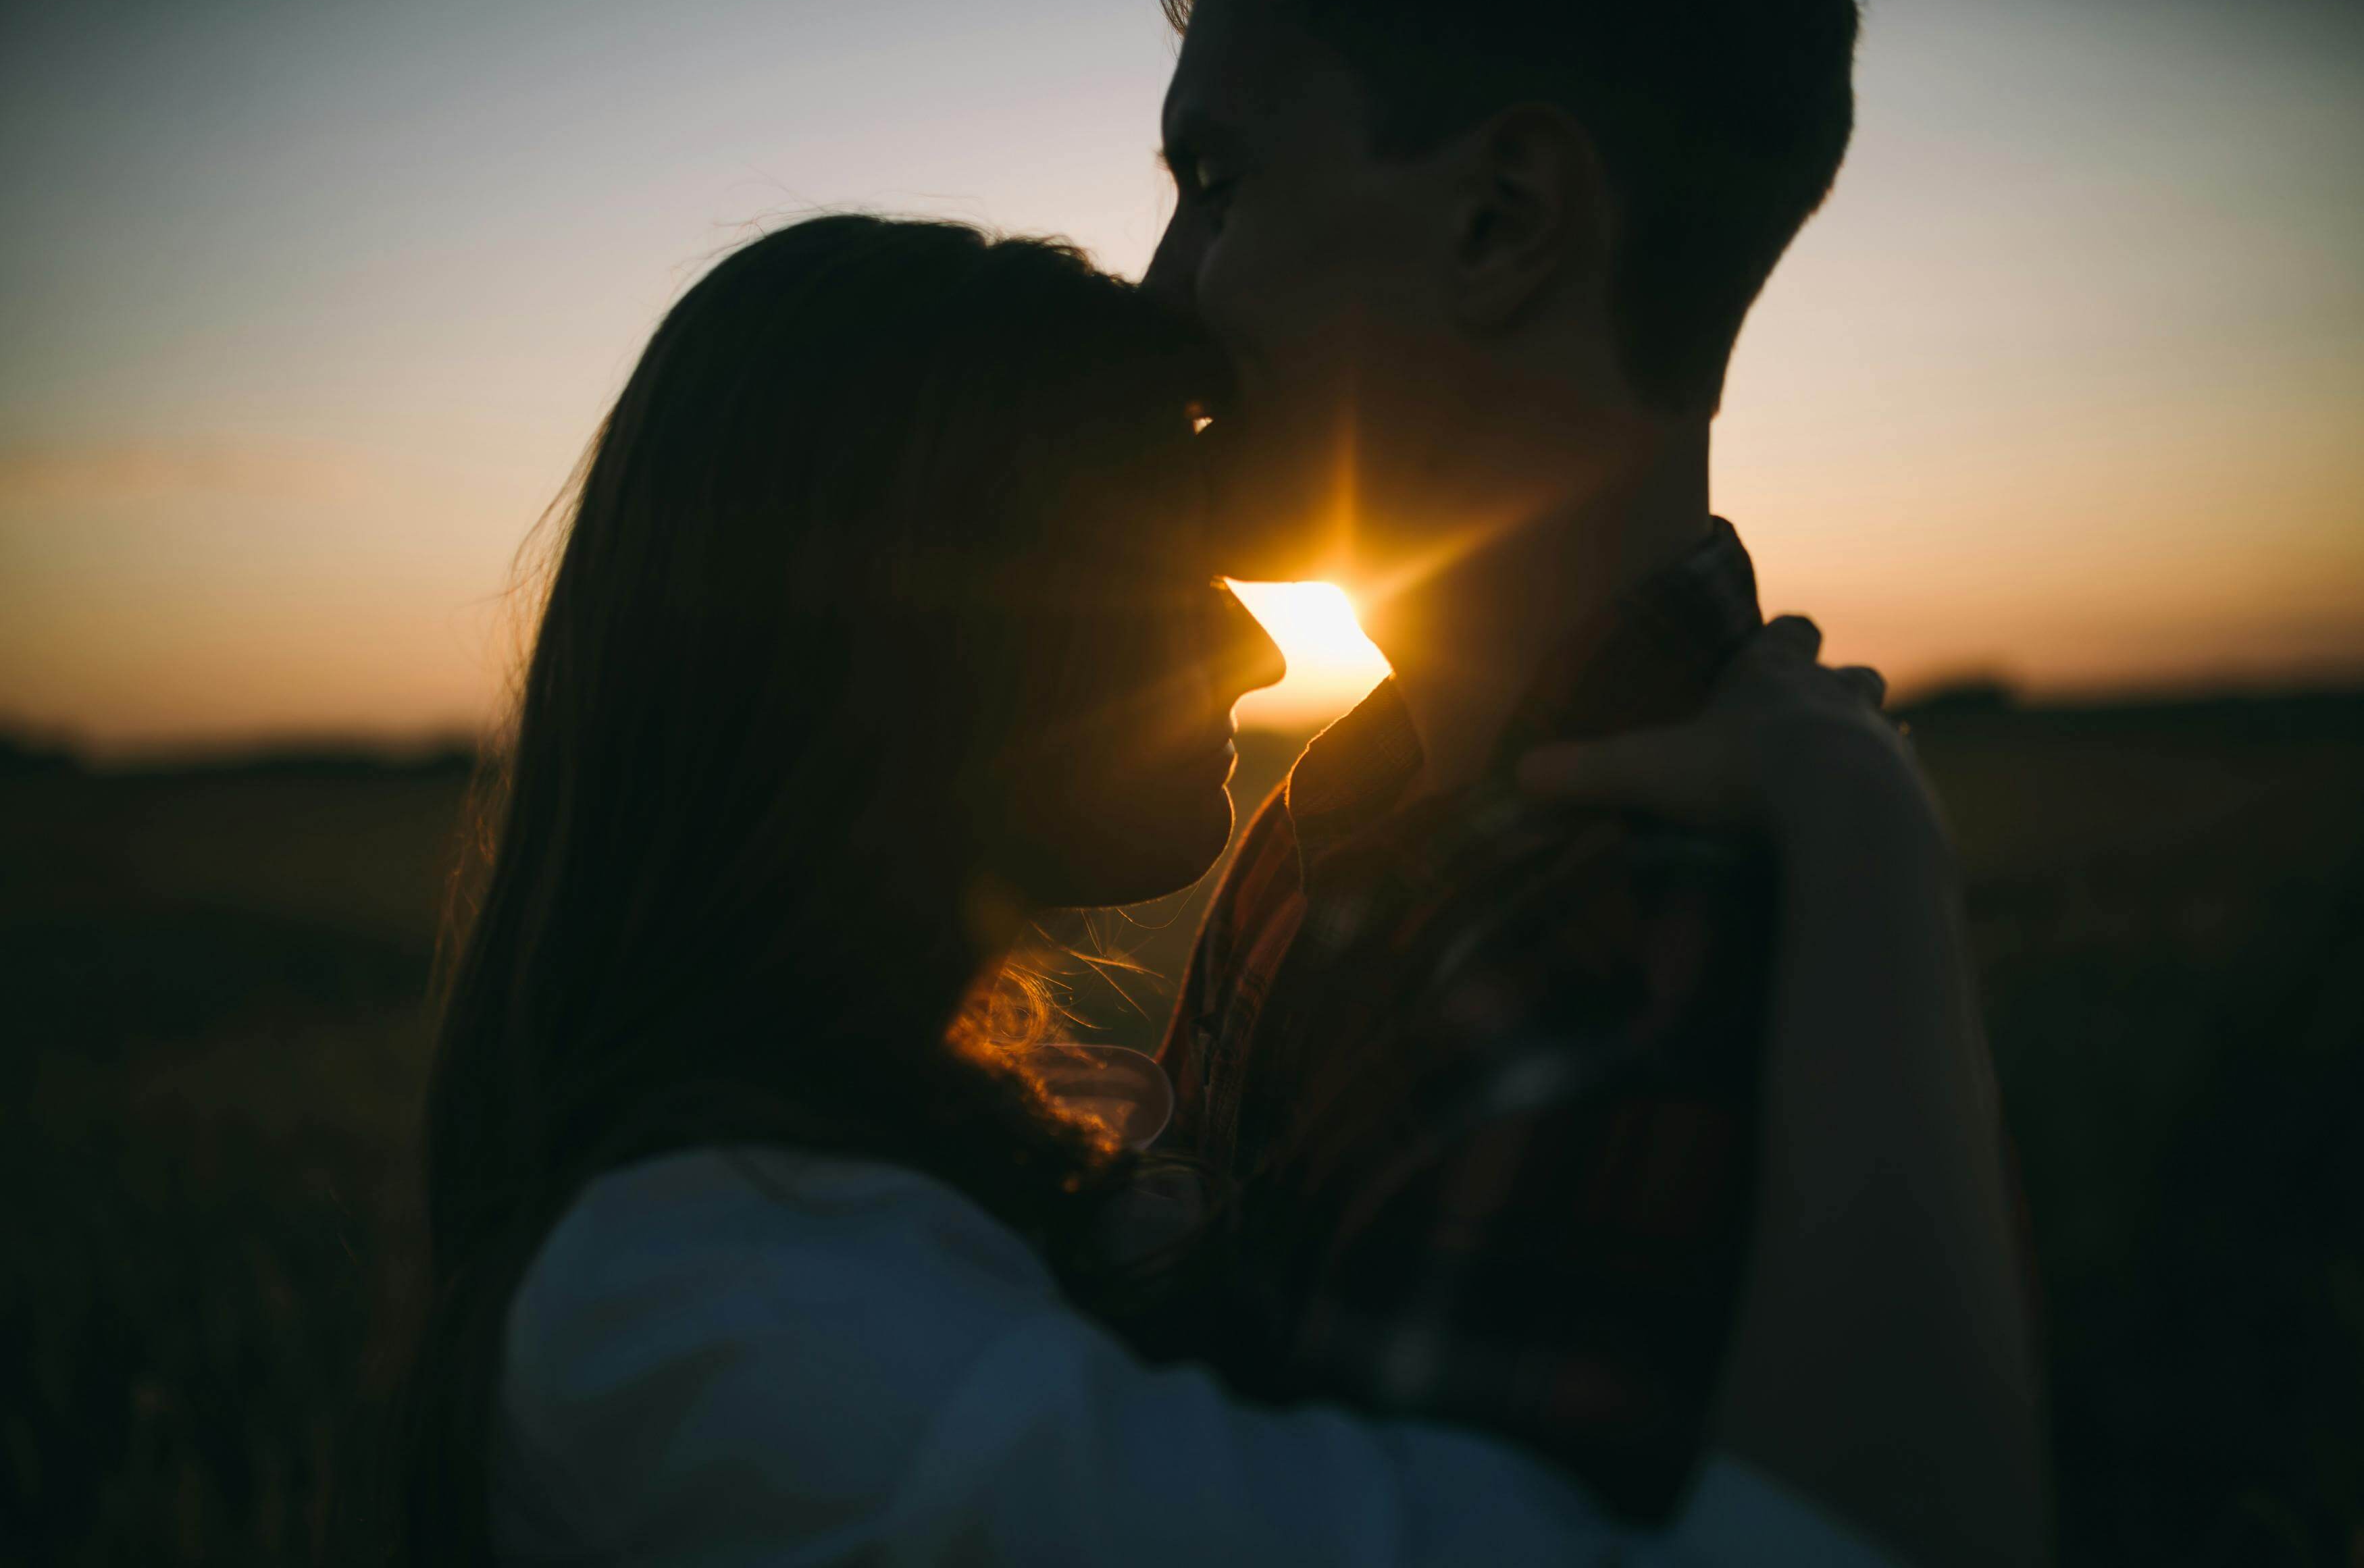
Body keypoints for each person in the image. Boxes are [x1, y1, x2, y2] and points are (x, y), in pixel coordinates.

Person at [392, 212, 1982, 1567]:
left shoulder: (836, 1199)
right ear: (905, 633)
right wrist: (1872, 845)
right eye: (1153, 560)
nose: (1254, 648)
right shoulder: (746, 1330)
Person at [1139, 0, 2048, 1563]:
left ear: (1503, 222)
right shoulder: (1335, 822)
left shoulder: (1636, 950)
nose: (1160, 292)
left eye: (1215, 186)